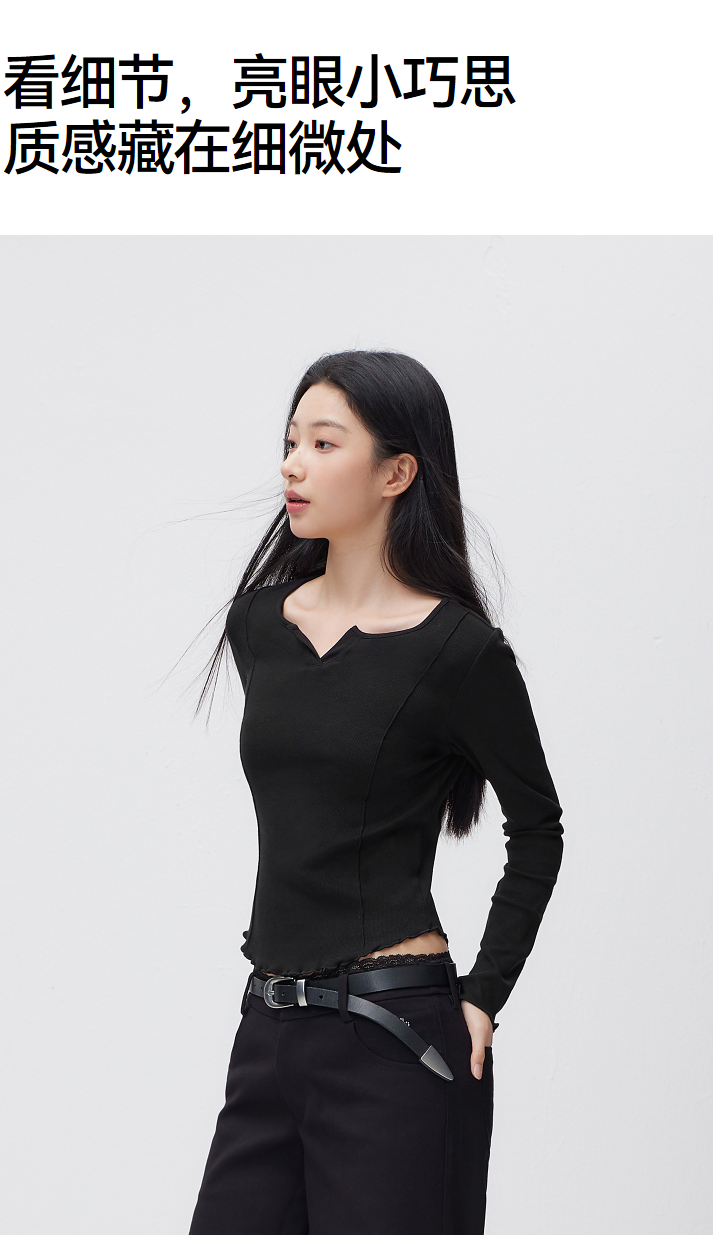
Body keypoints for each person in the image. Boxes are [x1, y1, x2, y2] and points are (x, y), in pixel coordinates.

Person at [187, 349, 563, 1235]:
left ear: (397, 473)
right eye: (291, 442)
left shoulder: (459, 651)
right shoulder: (259, 624)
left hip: (395, 1036)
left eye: (324, 443)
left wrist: (485, 993)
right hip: (268, 1029)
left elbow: (538, 829)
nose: (293, 465)